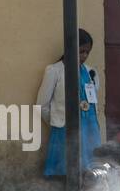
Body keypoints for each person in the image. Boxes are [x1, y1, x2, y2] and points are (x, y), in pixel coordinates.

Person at [36, 28, 101, 178]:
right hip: (64, 132)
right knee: (65, 173)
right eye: (81, 51)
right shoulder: (54, 71)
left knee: (90, 174)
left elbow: (93, 100)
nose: (84, 56)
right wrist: (58, 122)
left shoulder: (92, 73)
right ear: (70, 49)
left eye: (87, 52)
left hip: (90, 132)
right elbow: (42, 105)